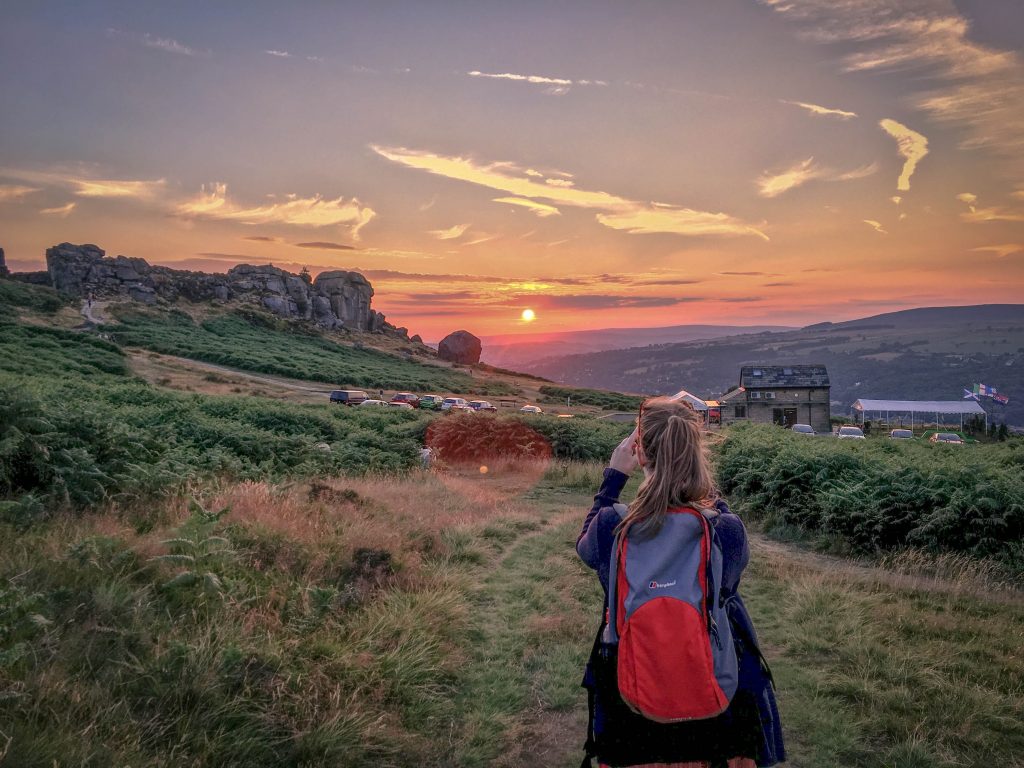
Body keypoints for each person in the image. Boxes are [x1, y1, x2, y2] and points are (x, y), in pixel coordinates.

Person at [577, 397, 785, 768]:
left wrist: (614, 478)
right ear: (696, 454)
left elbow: (585, 548)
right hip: (719, 698)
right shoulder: (724, 529)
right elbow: (729, 575)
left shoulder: (612, 526)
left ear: (639, 454)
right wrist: (700, 483)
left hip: (630, 704)